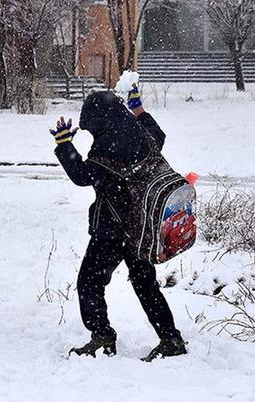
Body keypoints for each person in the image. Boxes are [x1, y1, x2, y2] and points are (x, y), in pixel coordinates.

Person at [50, 86, 187, 362]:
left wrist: (64, 144)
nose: (92, 135)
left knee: (89, 282)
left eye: (92, 129)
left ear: (102, 122)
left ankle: (102, 337)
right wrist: (138, 108)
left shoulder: (106, 149)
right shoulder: (142, 137)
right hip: (140, 228)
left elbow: (81, 175)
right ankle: (170, 339)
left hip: (111, 231)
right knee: (145, 284)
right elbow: (158, 133)